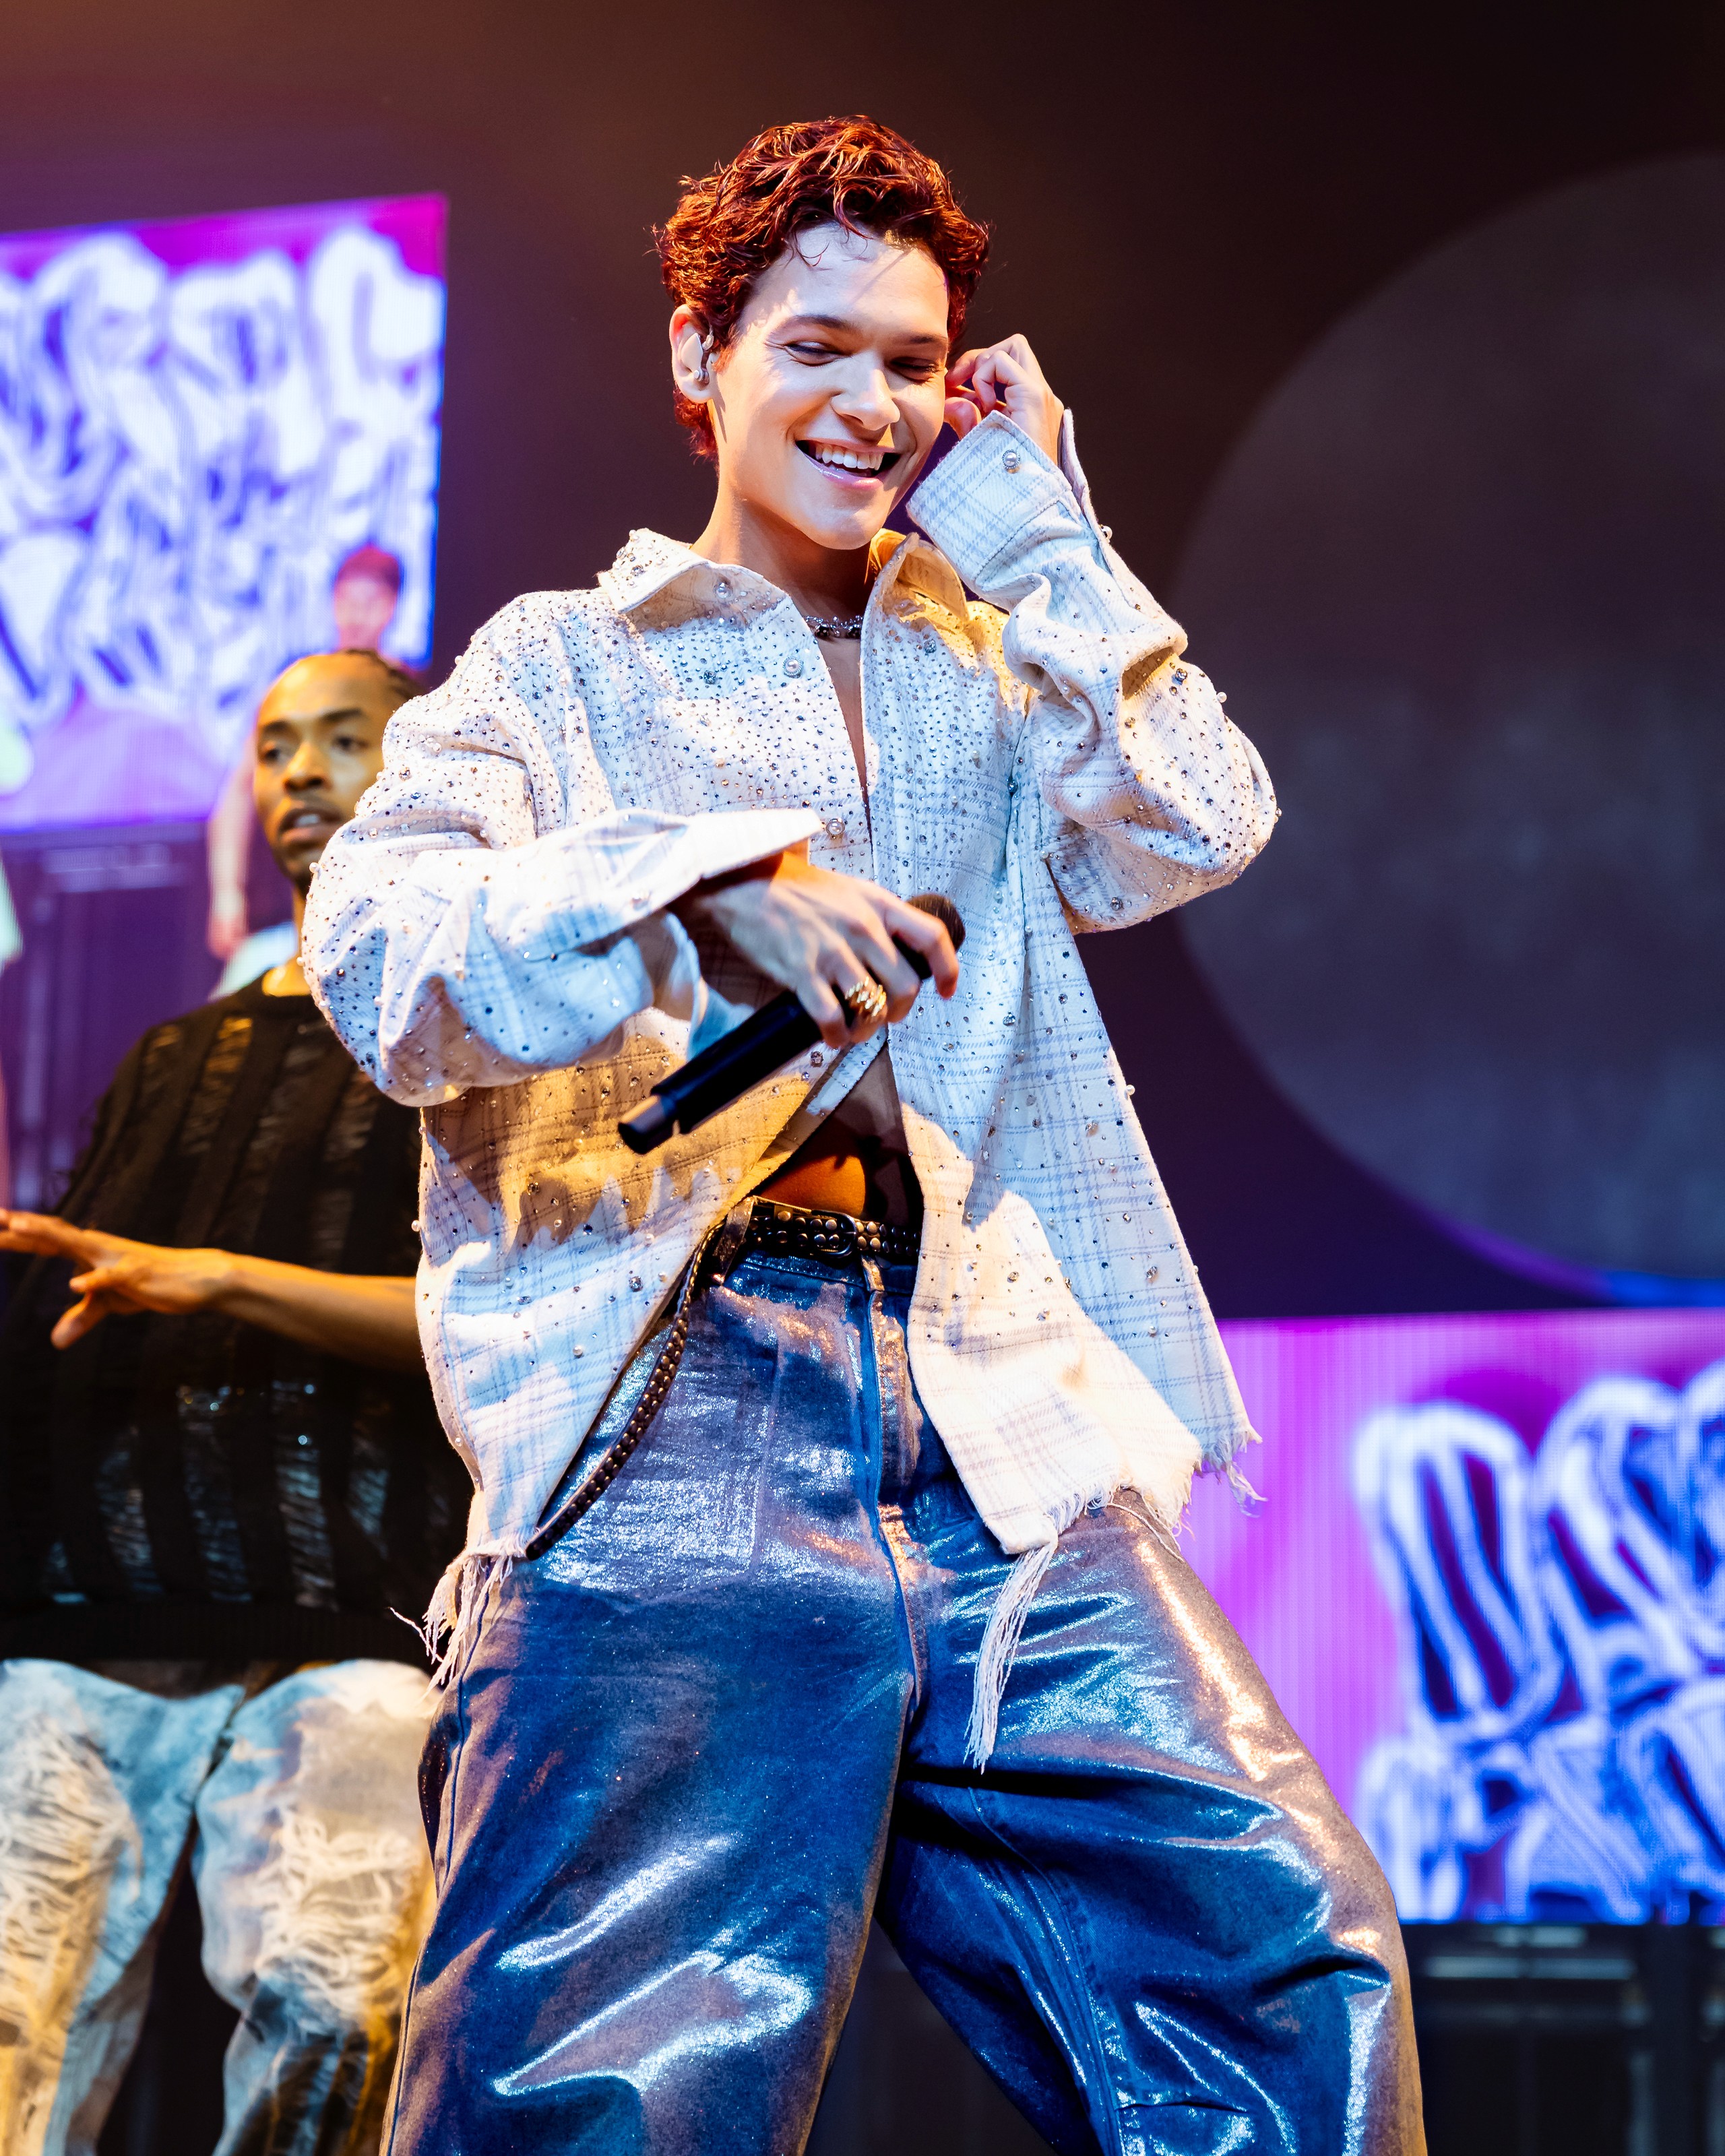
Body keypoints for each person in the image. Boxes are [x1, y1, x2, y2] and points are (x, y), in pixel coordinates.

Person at [305, 117, 1424, 2154]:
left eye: (913, 361)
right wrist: (692, 883)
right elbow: (380, 959)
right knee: (608, 2096)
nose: (871, 403)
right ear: (698, 357)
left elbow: (1194, 819)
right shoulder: (564, 663)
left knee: (1284, 1966)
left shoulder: (983, 666)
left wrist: (1038, 526)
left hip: (994, 1415)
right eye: (814, 347)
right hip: (679, 1414)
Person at [0, 649, 470, 2156]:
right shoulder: (176, 1054)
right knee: (13, 2039)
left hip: (356, 1611)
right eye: (274, 747)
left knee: (337, 2014)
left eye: (343, 738)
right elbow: (66, 1308)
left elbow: (499, 1331)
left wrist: (216, 1281)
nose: (300, 774)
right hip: (98, 1612)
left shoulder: (481, 1051)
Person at [206, 546, 406, 967]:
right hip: (286, 913)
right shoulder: (297, 689)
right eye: (347, 601)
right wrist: (227, 894)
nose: (356, 616)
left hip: (378, 910)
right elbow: (238, 792)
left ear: (393, 607)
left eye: (371, 603)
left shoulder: (407, 696)